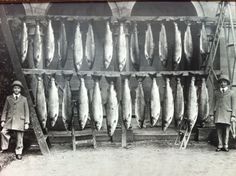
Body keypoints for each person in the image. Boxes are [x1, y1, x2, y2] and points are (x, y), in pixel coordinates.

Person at [0, 80, 29, 160]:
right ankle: (4, 147)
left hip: (20, 121)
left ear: (20, 90)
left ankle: (18, 152)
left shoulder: (24, 99)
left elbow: (27, 111)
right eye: (15, 88)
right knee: (3, 132)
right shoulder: (8, 98)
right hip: (10, 120)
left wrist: (26, 122)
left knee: (20, 137)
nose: (16, 90)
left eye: (18, 88)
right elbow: (5, 110)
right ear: (13, 89)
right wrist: (3, 120)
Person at [210, 74, 236, 152]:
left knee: (227, 130)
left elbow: (234, 105)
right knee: (219, 130)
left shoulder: (231, 93)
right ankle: (220, 145)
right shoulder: (216, 92)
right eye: (221, 82)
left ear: (227, 83)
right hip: (218, 113)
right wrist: (211, 114)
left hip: (227, 114)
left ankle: (226, 145)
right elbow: (213, 103)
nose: (223, 83)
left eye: (224, 82)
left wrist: (233, 115)